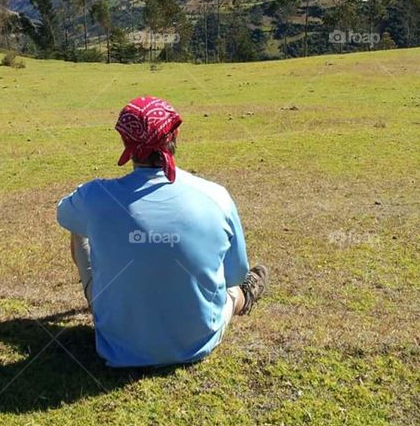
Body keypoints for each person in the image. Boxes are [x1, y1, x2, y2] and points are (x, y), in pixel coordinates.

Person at [56, 95, 267, 367]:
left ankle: (105, 302)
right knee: (236, 290)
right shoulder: (216, 195)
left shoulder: (95, 197)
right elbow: (235, 274)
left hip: (118, 345)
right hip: (198, 342)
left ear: (125, 143)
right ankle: (246, 297)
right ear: (175, 134)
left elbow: (64, 214)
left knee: (78, 227)